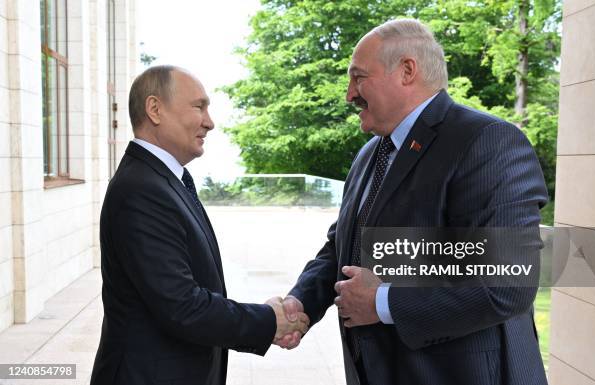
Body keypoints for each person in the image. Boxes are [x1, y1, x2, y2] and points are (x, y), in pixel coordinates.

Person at [278, 19, 549, 385]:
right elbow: (342, 248)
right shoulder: (369, 154)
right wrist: (301, 303)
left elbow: (506, 284)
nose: (349, 94)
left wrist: (381, 303)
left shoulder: (490, 142)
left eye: (359, 77)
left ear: (407, 71)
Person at [90, 65, 309, 385]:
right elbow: (182, 306)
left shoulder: (165, 179)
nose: (210, 121)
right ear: (155, 109)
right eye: (199, 106)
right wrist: (267, 321)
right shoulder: (141, 189)